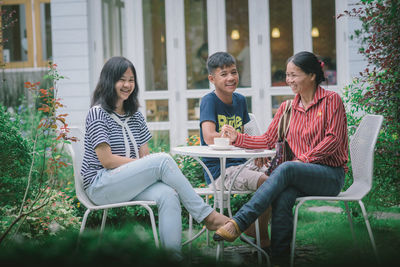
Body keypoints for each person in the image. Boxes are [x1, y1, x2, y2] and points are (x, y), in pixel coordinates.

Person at [80, 56, 229, 259]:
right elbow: (107, 161)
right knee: (162, 160)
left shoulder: (136, 116)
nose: (127, 85)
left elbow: (145, 156)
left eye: (131, 80)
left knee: (169, 194)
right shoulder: (97, 114)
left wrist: (148, 166)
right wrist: (148, 166)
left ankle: (172, 258)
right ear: (109, 80)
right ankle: (207, 216)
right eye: (121, 79)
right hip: (100, 185)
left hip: (126, 183)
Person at [214, 51, 349, 264]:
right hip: (298, 174)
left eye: (294, 75)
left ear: (312, 75)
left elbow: (333, 141)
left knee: (286, 168)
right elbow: (267, 140)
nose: (289, 80)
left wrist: (303, 159)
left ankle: (239, 222)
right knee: (284, 196)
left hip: (329, 176)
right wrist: (237, 138)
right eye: (287, 75)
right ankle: (279, 259)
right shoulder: (287, 108)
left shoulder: (331, 101)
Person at [199, 51, 272, 251]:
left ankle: (253, 229)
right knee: (269, 183)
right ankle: (261, 235)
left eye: (234, 72)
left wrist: (260, 152)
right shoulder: (209, 101)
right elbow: (208, 136)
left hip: (243, 165)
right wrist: (231, 137)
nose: (231, 78)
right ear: (212, 79)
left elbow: (250, 134)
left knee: (280, 177)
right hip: (221, 170)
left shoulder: (240, 100)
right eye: (223, 74)